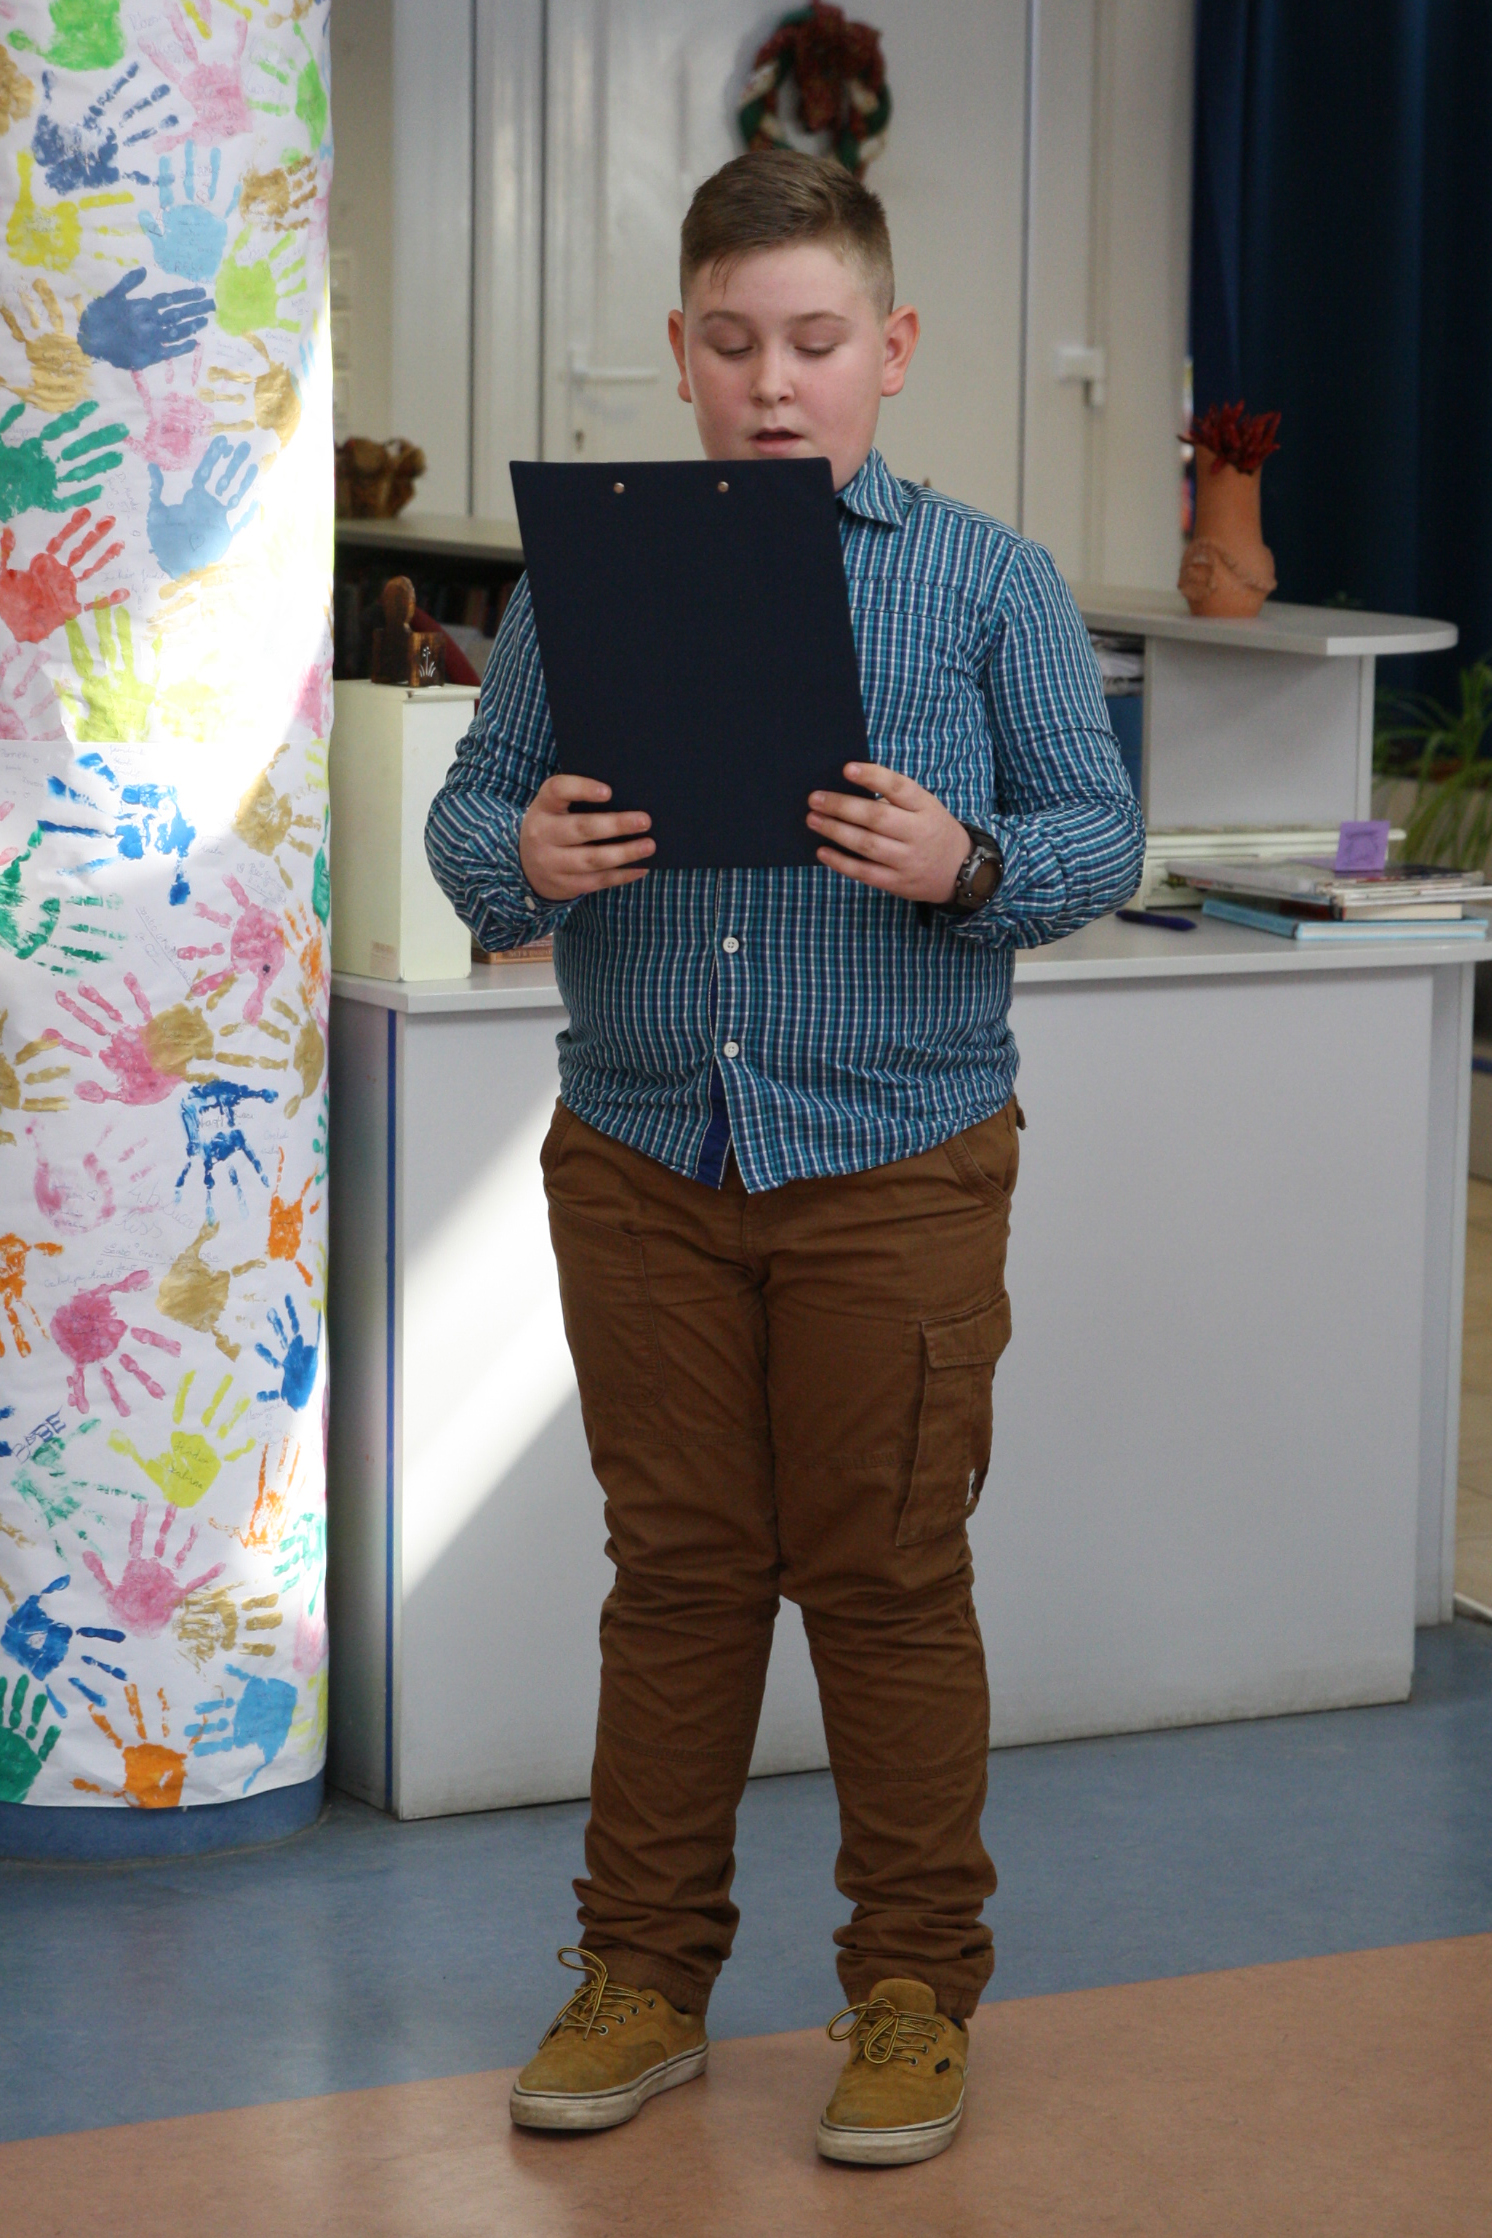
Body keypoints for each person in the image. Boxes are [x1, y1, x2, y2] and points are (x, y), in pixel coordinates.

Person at [425, 147, 1144, 2168]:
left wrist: (969, 863)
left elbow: (1098, 834)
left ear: (888, 349)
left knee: (887, 1579)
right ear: (678, 352)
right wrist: (518, 853)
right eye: (732, 342)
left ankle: (912, 1993)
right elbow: (474, 818)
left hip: (896, 1163)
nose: (771, 382)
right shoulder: (583, 584)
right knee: (673, 1578)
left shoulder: (987, 582)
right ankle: (641, 1979)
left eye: (814, 341)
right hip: (643, 1152)